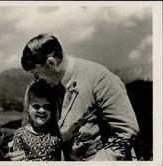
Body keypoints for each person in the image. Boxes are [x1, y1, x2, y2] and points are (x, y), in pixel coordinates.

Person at [10, 33, 139, 161]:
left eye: (37, 73)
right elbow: (44, 127)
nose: (37, 79)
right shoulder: (51, 84)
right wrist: (25, 151)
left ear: (51, 63)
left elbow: (126, 133)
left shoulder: (101, 79)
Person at [11, 79, 63, 161]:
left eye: (47, 106)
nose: (42, 110)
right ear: (28, 108)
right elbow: (17, 159)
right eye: (36, 106)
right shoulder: (21, 134)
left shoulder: (57, 132)